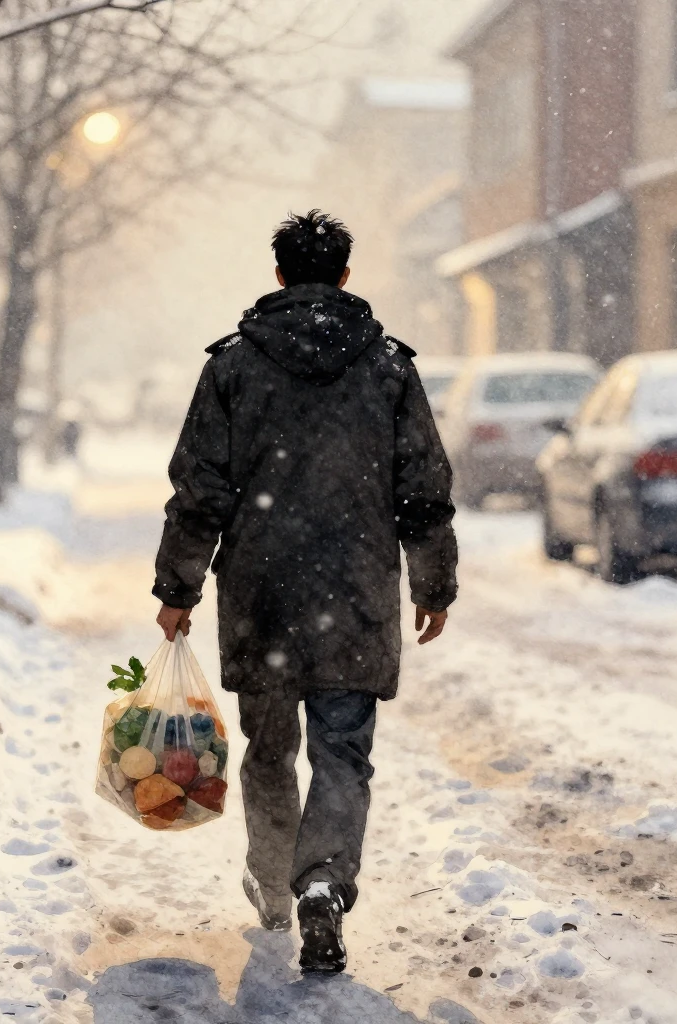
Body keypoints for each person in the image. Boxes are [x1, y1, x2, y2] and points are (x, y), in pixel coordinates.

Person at [152, 210, 458, 974]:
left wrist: (178, 585)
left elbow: (200, 489)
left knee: (269, 747)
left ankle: (276, 883)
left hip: (262, 591)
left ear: (281, 274)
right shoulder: (388, 367)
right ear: (345, 275)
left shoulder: (233, 368)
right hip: (356, 588)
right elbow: (424, 487)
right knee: (344, 750)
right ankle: (323, 879)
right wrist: (433, 581)